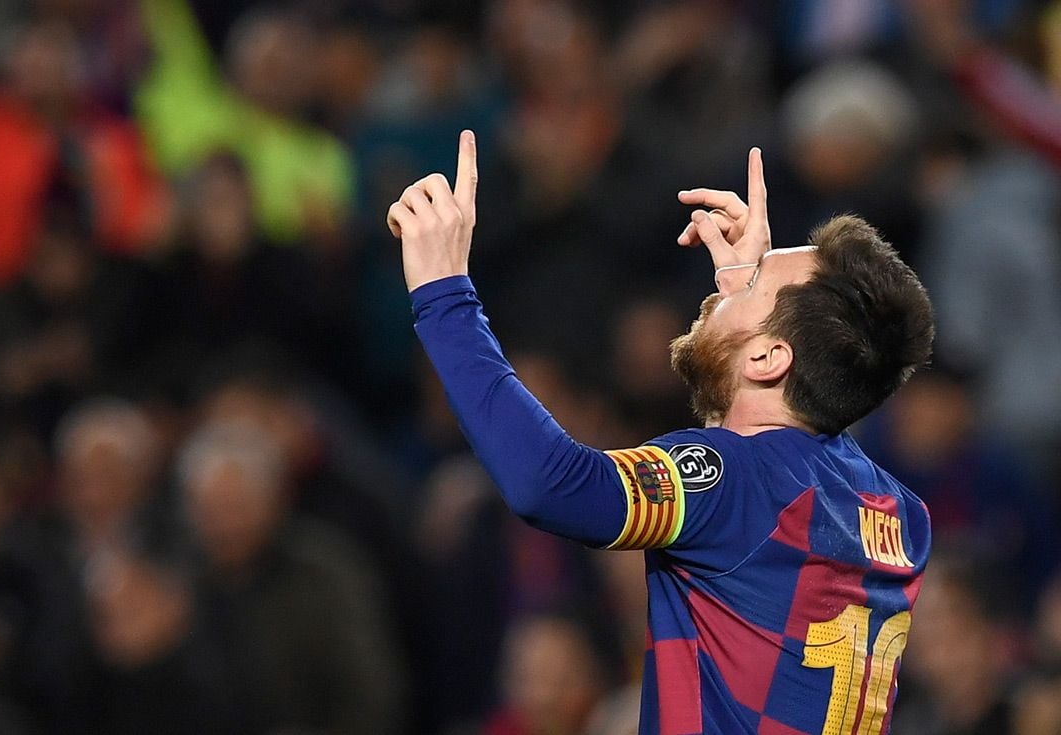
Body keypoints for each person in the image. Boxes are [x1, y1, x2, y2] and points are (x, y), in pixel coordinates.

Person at [386, 132, 935, 734]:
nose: (723, 283)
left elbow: (552, 484)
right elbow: (756, 516)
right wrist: (753, 310)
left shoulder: (738, 481)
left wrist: (444, 292)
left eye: (750, 285)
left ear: (770, 360)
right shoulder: (899, 513)